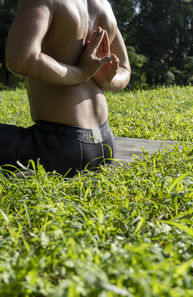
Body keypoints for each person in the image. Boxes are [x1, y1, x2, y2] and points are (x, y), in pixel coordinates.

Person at [2, 0, 131, 176]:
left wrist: (81, 74)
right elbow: (124, 70)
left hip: (59, 147)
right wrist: (107, 79)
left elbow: (21, 58)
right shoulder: (103, 5)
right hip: (105, 143)